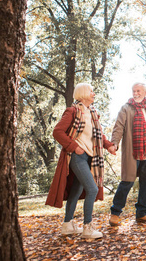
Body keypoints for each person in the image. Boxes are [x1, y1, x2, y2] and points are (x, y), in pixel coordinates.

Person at [46, 83, 116, 239]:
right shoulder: (72, 111)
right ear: (83, 93)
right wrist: (73, 146)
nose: (94, 94)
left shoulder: (93, 113)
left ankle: (67, 225)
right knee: (92, 189)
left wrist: (109, 146)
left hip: (90, 157)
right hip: (77, 156)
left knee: (76, 191)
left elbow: (98, 136)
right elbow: (57, 132)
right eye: (91, 91)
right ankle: (87, 228)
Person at [109, 82, 146, 225]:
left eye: (138, 91)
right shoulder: (126, 108)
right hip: (132, 152)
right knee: (127, 181)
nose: (135, 93)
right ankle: (115, 213)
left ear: (145, 92)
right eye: (133, 91)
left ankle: (141, 213)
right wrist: (114, 143)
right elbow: (118, 127)